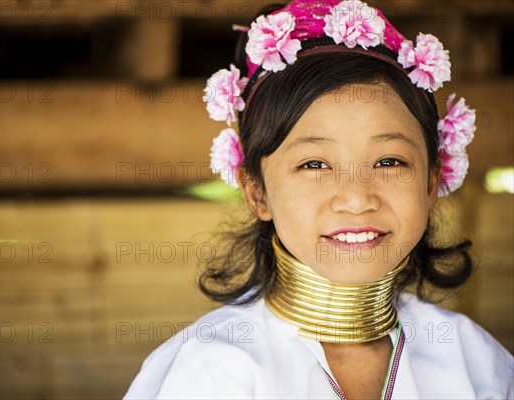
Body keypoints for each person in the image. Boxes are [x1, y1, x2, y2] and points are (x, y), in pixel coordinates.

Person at [124, 0, 514, 398]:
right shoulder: (214, 370)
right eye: (314, 164)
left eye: (389, 161)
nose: (357, 198)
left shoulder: (473, 361)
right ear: (256, 191)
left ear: (432, 182)